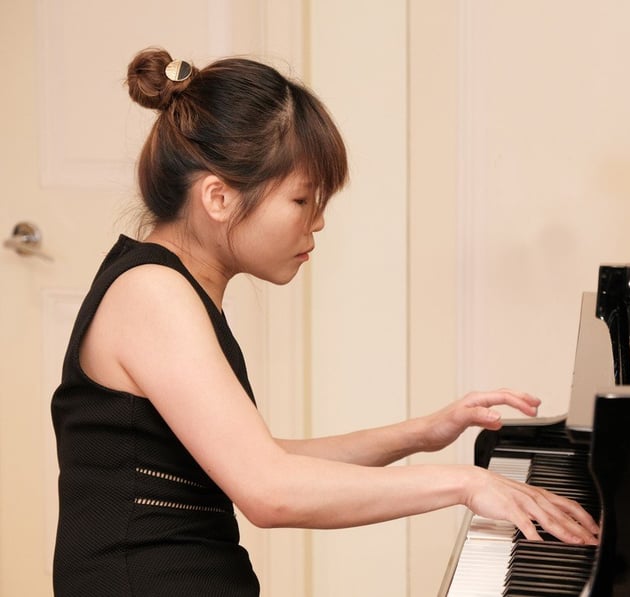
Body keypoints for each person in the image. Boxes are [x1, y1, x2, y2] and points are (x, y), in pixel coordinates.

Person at [50, 47, 599, 596]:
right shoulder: (152, 292)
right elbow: (270, 490)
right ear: (218, 197)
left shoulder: (164, 284)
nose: (317, 222)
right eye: (301, 199)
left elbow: (261, 458)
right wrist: (464, 484)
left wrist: (422, 433)